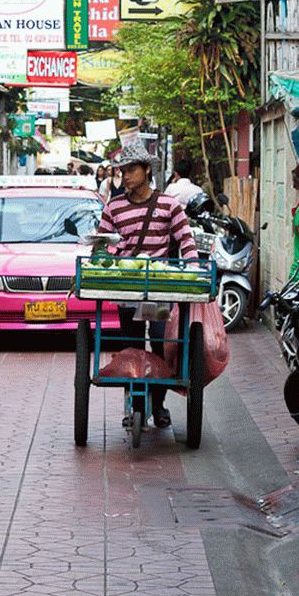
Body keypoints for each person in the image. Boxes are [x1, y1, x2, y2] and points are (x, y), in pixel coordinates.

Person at [97, 141, 198, 429]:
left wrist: (193, 269)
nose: (125, 176)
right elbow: (102, 244)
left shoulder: (169, 205)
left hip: (156, 291)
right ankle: (136, 406)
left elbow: (186, 241)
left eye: (131, 170)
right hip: (126, 289)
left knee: (157, 344)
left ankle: (159, 404)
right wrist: (109, 254)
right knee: (131, 347)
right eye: (122, 171)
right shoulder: (114, 207)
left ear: (146, 170)